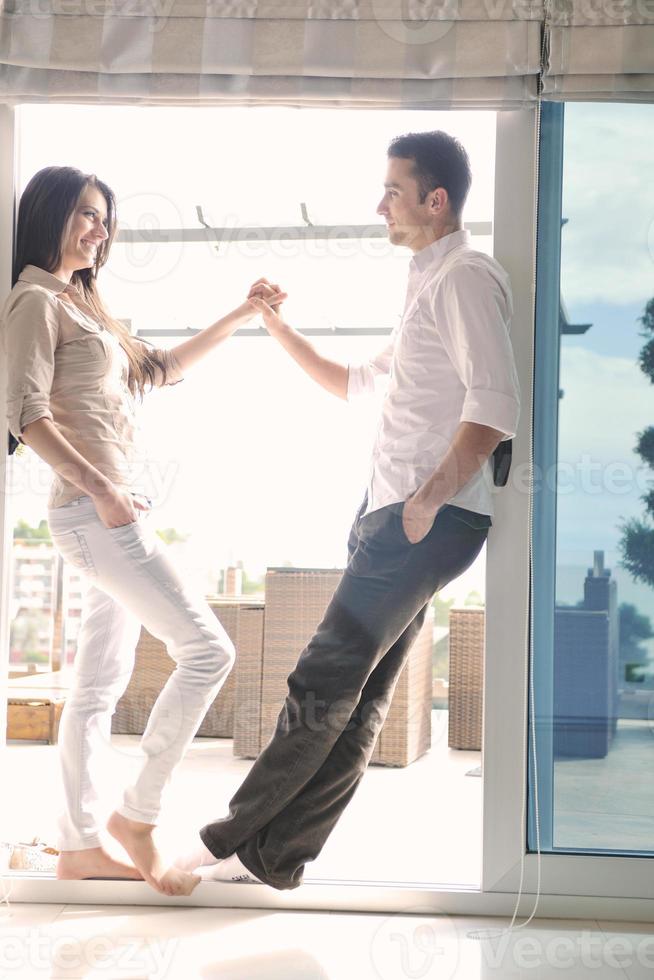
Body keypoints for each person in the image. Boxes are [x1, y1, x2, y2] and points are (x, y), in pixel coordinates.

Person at [176, 130, 521, 891]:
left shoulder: (463, 275)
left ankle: (223, 841)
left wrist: (424, 504)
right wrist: (274, 326)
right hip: (400, 517)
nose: (379, 205)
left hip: (419, 520)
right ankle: (274, 858)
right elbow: (356, 383)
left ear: (435, 200)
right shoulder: (427, 282)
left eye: (392, 190)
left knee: (320, 681)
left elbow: (495, 405)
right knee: (359, 701)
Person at [1, 166, 285, 896]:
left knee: (96, 686)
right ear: (48, 217)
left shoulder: (87, 306)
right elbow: (24, 414)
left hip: (103, 514)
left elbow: (157, 370)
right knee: (207, 650)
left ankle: (76, 845)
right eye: (84, 216)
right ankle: (138, 816)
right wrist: (103, 491)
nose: (97, 231)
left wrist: (240, 314)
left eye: (104, 220)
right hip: (94, 514)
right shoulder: (34, 301)